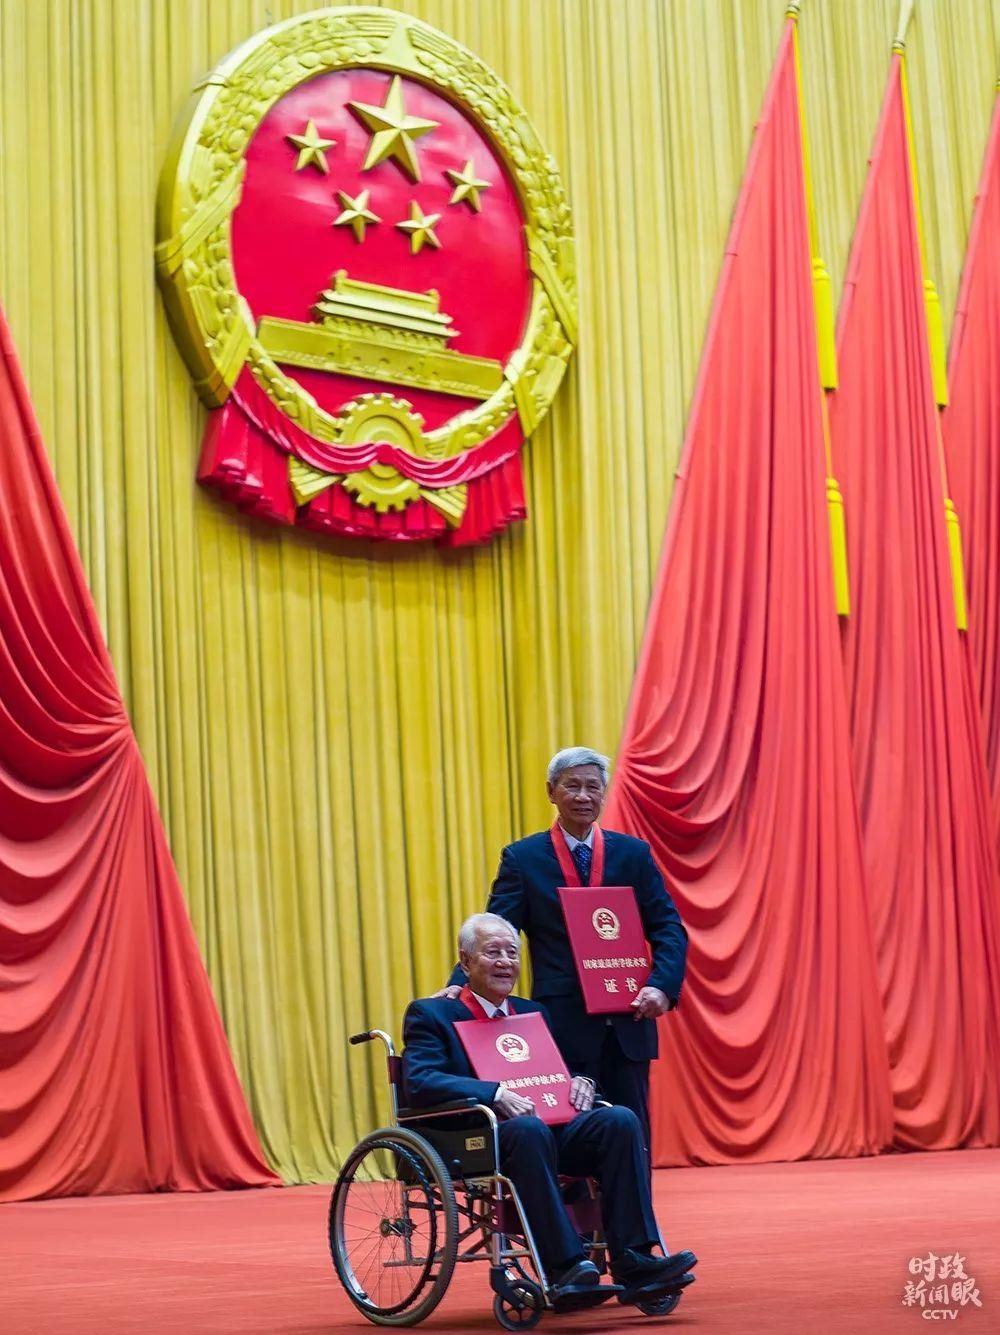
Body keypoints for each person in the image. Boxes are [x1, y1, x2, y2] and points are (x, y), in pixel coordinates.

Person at [403, 913, 697, 1304]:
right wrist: (492, 1093)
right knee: (528, 1131)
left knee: (619, 1120)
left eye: (512, 953)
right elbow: (420, 1079)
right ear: (466, 961)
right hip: (481, 1137)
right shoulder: (432, 1014)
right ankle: (565, 1267)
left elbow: (557, 1069)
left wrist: (579, 1080)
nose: (505, 961)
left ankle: (634, 1259)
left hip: (549, 1129)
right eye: (493, 952)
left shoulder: (532, 1011)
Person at [442, 746, 687, 1161]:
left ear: (604, 793)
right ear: (551, 792)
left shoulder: (633, 855)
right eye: (572, 786)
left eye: (593, 787)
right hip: (561, 1025)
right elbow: (496, 929)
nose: (583, 796)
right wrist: (459, 983)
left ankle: (634, 1208)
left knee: (632, 1137)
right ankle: (572, 1208)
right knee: (571, 1133)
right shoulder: (523, 859)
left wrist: (661, 987)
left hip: (629, 1018)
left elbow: (668, 927)